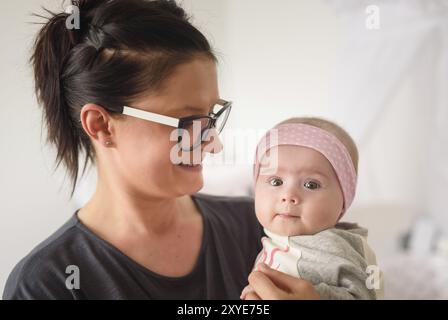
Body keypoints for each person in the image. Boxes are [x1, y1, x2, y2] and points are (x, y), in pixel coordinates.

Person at [3, 0, 319, 300]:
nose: (213, 143)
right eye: (190, 121)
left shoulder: (259, 229)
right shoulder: (48, 284)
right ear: (100, 125)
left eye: (212, 117)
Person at [241, 117, 381, 300]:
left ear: (343, 202)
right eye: (276, 181)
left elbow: (367, 294)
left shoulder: (335, 247)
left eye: (311, 185)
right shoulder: (272, 240)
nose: (288, 195)